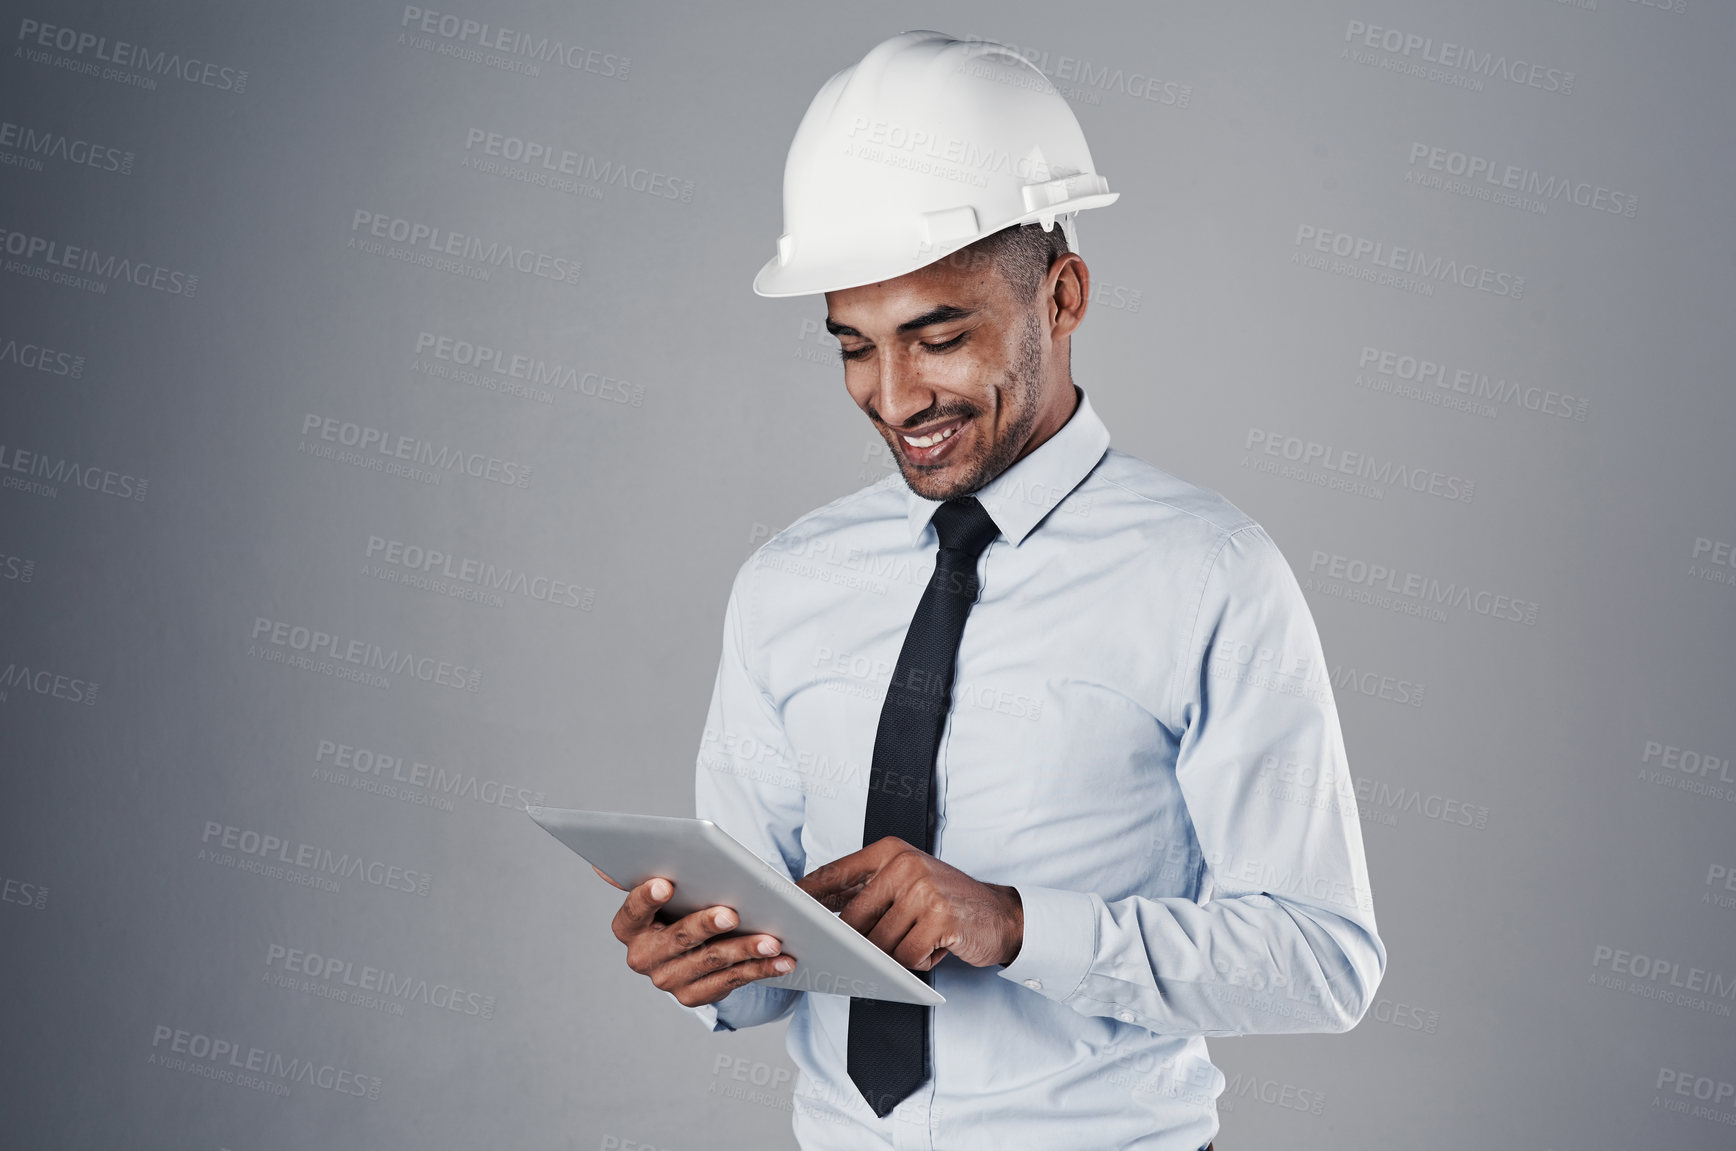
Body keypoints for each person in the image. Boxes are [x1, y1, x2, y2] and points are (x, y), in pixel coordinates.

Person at [600, 30, 1385, 1150]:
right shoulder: (789, 581)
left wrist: (1014, 924)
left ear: (1060, 295)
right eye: (852, 347)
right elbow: (768, 957)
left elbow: (1321, 960)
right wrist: (710, 960)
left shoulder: (1208, 573)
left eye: (937, 335)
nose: (892, 395)